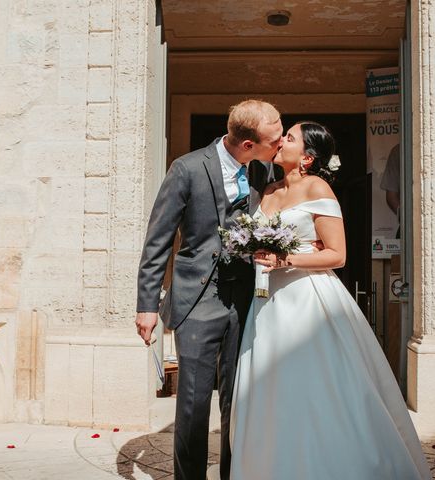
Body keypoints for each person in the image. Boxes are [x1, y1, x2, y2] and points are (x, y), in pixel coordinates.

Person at [229, 121, 431, 479]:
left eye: (289, 137)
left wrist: (286, 258)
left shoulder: (316, 187)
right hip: (267, 301)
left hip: (308, 300)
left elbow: (337, 254)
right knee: (271, 389)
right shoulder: (269, 190)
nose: (280, 140)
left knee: (313, 389)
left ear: (307, 157)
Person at [135, 99, 283, 480]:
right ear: (247, 145)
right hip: (196, 301)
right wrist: (147, 305)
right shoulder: (186, 169)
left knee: (239, 403)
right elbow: (158, 240)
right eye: (274, 139)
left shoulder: (264, 170)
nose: (280, 144)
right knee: (193, 405)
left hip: (246, 300)